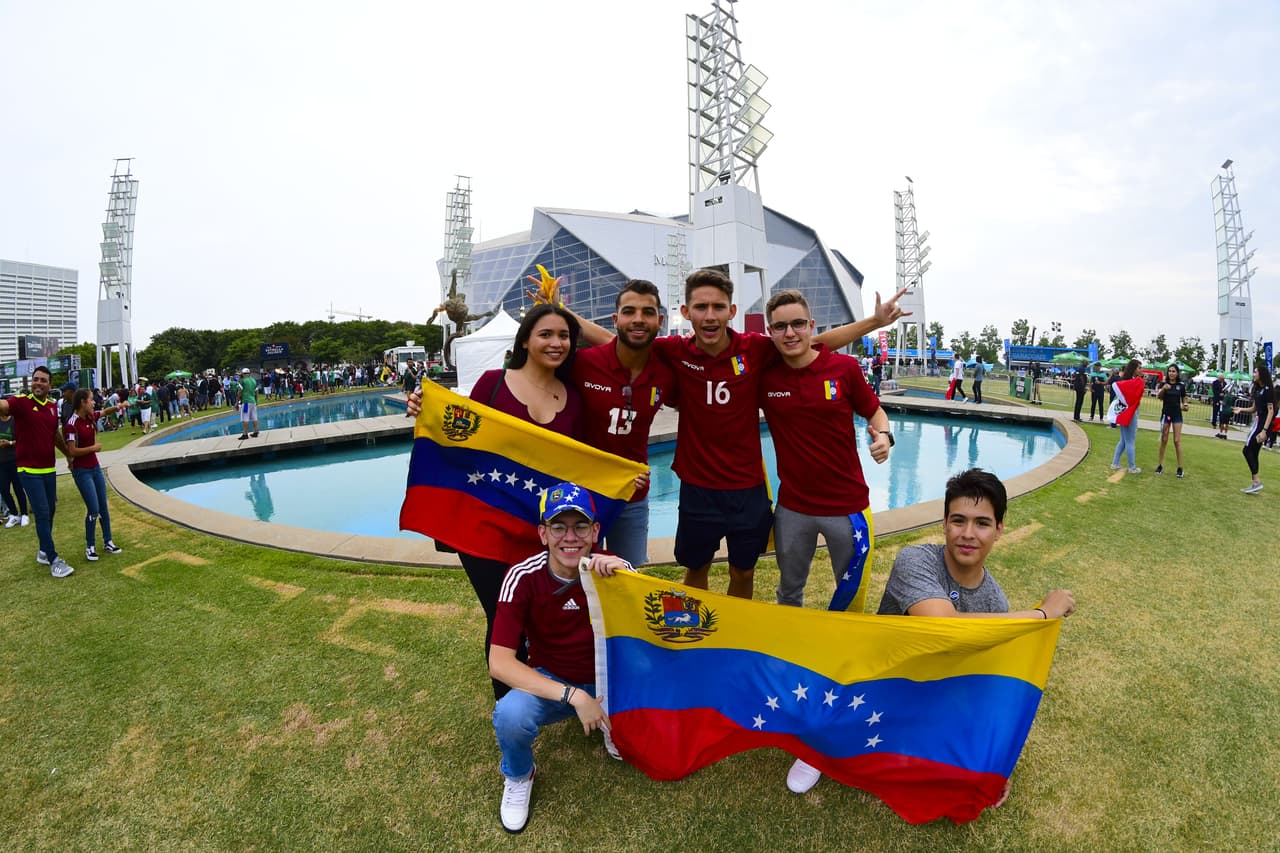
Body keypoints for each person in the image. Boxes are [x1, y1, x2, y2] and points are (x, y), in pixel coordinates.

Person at [575, 269, 907, 600]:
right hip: (697, 486)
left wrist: (873, 323)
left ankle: (737, 637)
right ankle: (697, 635)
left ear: (731, 312)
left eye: (718, 306)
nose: (709, 315)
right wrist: (563, 314)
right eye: (700, 307)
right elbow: (615, 340)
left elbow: (812, 341)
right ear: (686, 313)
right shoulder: (673, 350)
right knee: (696, 568)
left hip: (747, 489)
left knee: (743, 570)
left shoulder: (755, 349)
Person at [861, 469, 1076, 805]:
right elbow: (943, 625)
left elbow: (985, 687)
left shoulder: (995, 602)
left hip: (930, 692)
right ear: (945, 522)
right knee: (838, 737)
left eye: (982, 523)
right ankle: (821, 746)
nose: (967, 534)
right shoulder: (915, 560)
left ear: (999, 530)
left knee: (954, 770)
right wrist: (1041, 615)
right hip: (876, 683)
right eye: (958, 520)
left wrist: (994, 765)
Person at [759, 290, 894, 797]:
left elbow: (876, 415)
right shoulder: (765, 374)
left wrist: (884, 437)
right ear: (770, 331)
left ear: (811, 325)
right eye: (780, 326)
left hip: (848, 511)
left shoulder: (845, 371)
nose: (790, 334)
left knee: (850, 602)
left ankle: (841, 691)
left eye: (798, 324)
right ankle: (793, 682)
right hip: (791, 508)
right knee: (788, 593)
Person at [488, 482, 629, 833]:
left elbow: (649, 628)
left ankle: (614, 722)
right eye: (558, 526)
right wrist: (574, 696)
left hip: (610, 676)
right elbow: (500, 662)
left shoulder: (609, 570)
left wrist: (625, 575)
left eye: (581, 526)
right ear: (542, 533)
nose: (570, 537)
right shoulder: (521, 577)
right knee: (510, 715)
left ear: (595, 531)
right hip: (553, 678)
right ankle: (520, 775)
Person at [463, 303, 586, 701]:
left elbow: (581, 464)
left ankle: (548, 690)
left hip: (540, 531)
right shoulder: (491, 383)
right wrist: (425, 413)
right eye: (546, 334)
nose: (556, 342)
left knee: (533, 614)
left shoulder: (573, 397)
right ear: (525, 341)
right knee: (502, 618)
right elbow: (460, 435)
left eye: (564, 335)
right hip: (486, 529)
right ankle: (509, 709)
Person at [569, 280, 671, 566]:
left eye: (647, 312)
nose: (638, 319)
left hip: (632, 495)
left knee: (628, 576)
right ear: (616, 320)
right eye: (629, 312)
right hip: (582, 492)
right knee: (577, 577)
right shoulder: (583, 363)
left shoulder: (667, 370)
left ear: (660, 321)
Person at [0, 365, 75, 577]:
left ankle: (43, 550)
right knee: (41, 511)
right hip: (28, 469)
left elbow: (55, 435)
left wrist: (68, 455)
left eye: (43, 380)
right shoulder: (22, 402)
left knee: (50, 511)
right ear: (31, 382)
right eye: (35, 379)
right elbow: (4, 405)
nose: (38, 383)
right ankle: (53, 559)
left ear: (50, 385)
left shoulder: (52, 407)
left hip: (48, 469)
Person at [63, 389, 125, 562]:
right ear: (82, 402)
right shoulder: (72, 424)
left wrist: (120, 406)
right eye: (91, 400)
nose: (94, 403)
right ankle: (90, 546)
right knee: (93, 509)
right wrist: (93, 448)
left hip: (95, 468)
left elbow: (104, 412)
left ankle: (108, 541)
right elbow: (72, 450)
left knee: (103, 507)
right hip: (82, 471)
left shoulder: (90, 417)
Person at [1232, 362, 1275, 494]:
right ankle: (1255, 484)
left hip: (1262, 424)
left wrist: (1264, 431)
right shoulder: (1258, 389)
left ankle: (1256, 481)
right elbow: (1254, 408)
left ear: (1261, 374)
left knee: (1247, 450)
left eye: (1255, 372)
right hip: (1258, 422)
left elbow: (1271, 411)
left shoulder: (1268, 390)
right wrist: (1241, 409)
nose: (1254, 374)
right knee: (1253, 452)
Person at [1110, 358, 1145, 474]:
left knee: (1124, 441)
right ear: (1134, 368)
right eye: (1139, 368)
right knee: (1130, 441)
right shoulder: (1134, 382)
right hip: (1130, 413)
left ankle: (1115, 463)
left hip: (1124, 413)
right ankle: (1132, 467)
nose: (1141, 370)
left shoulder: (1125, 380)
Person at [1154, 364, 1189, 478]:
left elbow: (1184, 398)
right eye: (1169, 371)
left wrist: (1185, 405)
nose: (1171, 373)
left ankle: (1179, 467)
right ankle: (1160, 465)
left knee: (1177, 441)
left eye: (1173, 371)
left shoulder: (1181, 386)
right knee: (1164, 440)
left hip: (1177, 416)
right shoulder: (1164, 384)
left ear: (1177, 373)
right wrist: (1163, 389)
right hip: (1166, 415)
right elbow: (1159, 397)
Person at [0, 410, 29, 528]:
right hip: (1, 462)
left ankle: (24, 514)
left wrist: (10, 443)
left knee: (18, 488)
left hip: (14, 460)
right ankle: (14, 514)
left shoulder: (14, 421)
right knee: (3, 489)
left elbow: (23, 439)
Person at [238, 368, 259, 440]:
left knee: (245, 418)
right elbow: (256, 392)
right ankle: (256, 432)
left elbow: (239, 392)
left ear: (243, 374)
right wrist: (256, 401)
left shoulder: (242, 381)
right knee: (254, 417)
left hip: (246, 401)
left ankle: (245, 434)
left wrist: (236, 401)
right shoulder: (253, 380)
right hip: (253, 401)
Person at [1211, 372, 1227, 438]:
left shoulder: (1225, 383)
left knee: (1221, 413)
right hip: (1216, 399)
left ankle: (1221, 424)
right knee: (1215, 412)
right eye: (1221, 379)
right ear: (1219, 378)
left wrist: (1224, 394)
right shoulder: (1215, 382)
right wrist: (1219, 394)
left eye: (1223, 379)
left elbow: (1226, 390)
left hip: (1222, 400)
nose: (1222, 380)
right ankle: (1214, 423)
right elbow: (1214, 390)